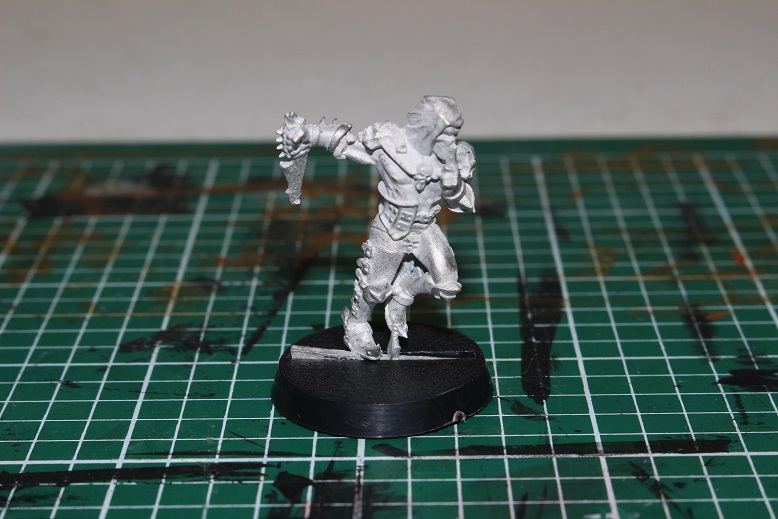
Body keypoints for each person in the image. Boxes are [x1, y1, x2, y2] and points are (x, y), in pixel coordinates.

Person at [278, 96, 475, 360]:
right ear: (429, 126)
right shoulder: (388, 142)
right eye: (447, 131)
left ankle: (404, 293)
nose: (450, 138)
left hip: (425, 228)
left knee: (447, 285)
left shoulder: (455, 157)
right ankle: (357, 325)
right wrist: (309, 134)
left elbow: (463, 204)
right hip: (391, 228)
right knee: (375, 288)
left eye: (453, 132)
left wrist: (454, 185)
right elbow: (346, 144)